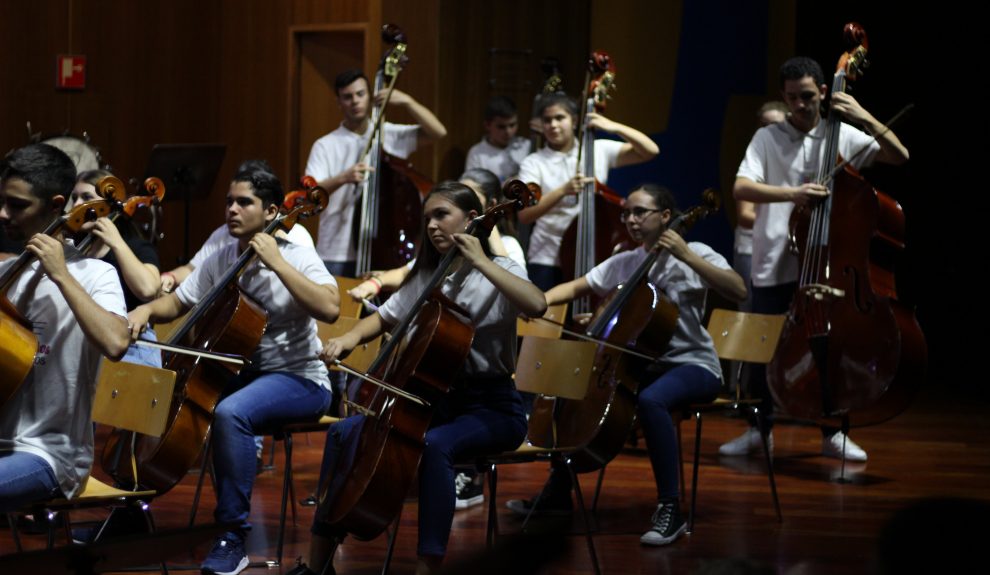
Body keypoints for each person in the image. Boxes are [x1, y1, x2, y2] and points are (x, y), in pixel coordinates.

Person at [287, 181, 547, 575]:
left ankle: (428, 565)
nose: (432, 225)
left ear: (472, 218)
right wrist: (347, 338)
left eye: (441, 215)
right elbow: (384, 317)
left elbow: (538, 304)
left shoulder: (501, 270)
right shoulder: (430, 274)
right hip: (436, 403)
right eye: (428, 217)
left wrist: (482, 262)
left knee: (436, 446)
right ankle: (319, 563)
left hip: (493, 406)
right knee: (344, 433)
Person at [127, 161, 340, 575]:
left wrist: (277, 262)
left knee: (231, 413)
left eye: (245, 202)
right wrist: (146, 310)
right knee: (152, 392)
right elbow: (181, 302)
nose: (232, 210)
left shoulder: (296, 251)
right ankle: (131, 508)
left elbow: (331, 308)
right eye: (229, 201)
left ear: (272, 211)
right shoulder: (224, 252)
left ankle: (232, 536)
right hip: (240, 375)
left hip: (299, 379)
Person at [505, 184, 747, 547]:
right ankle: (558, 492)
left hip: (693, 364)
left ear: (666, 216)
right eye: (627, 213)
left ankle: (671, 508)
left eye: (640, 212)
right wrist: (535, 302)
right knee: (570, 385)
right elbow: (572, 288)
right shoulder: (627, 261)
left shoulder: (696, 252)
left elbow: (738, 289)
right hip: (641, 365)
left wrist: (685, 254)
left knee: (651, 400)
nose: (631, 220)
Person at [719, 57, 909, 462]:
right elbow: (741, 188)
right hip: (776, 259)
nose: (799, 106)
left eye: (807, 96)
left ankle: (833, 432)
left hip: (828, 261)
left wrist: (859, 114)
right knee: (763, 349)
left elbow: (900, 155)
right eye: (791, 99)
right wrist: (793, 194)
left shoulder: (840, 133)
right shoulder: (768, 138)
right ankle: (759, 429)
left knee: (830, 349)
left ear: (823, 92)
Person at [0, 144, 130, 512]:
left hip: (51, 456)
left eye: (18, 205)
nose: (3, 214)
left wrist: (60, 275)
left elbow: (116, 342)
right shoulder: (6, 275)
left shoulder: (94, 275)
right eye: (3, 201)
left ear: (57, 206)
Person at [305, 68, 447, 278]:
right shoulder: (325, 145)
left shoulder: (388, 134)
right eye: (347, 97)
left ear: (370, 96)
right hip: (337, 249)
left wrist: (408, 102)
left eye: (360, 94)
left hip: (382, 245)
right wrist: (343, 177)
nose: (355, 101)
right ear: (339, 102)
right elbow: (311, 194)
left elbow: (438, 132)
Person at [516, 93, 658, 290]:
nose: (553, 125)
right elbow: (524, 215)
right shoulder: (533, 162)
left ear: (574, 121)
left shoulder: (598, 150)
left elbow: (650, 151)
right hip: (547, 255)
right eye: (547, 120)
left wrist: (614, 127)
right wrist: (562, 191)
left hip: (592, 250)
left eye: (560, 118)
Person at [347, 167, 526, 302]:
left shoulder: (509, 245)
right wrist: (377, 282)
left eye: (471, 195)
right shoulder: (448, 245)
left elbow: (512, 290)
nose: (460, 200)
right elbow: (408, 272)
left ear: (491, 204)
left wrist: (488, 221)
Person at [68, 169, 163, 367]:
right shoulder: (71, 250)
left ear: (108, 206)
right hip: (84, 345)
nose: (77, 205)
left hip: (133, 349)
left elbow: (148, 289)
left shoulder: (136, 247)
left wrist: (116, 242)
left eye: (86, 197)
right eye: (74, 197)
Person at [729, 102, 787, 392]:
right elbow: (745, 215)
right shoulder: (753, 160)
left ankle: (775, 390)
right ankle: (740, 390)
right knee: (749, 318)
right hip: (750, 250)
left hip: (780, 251)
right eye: (764, 125)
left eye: (776, 125)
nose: (769, 131)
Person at [464, 95, 532, 182]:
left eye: (512, 125)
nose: (508, 131)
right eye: (501, 127)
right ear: (487, 125)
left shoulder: (526, 145)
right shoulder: (477, 153)